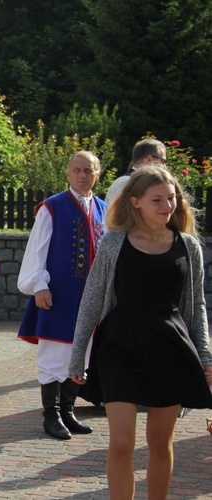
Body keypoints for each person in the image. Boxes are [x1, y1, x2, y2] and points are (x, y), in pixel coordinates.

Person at [69, 165, 212, 499]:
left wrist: (205, 355)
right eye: (157, 200)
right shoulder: (114, 243)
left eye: (171, 198)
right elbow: (91, 300)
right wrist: (78, 355)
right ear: (135, 202)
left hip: (170, 349)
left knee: (160, 444)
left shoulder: (189, 247)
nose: (167, 206)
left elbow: (196, 306)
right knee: (121, 443)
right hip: (120, 346)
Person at [17, 151, 106, 440]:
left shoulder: (105, 209)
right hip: (57, 296)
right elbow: (36, 250)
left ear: (98, 175)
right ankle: (51, 416)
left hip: (92, 298)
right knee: (54, 355)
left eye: (88, 170)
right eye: (77, 170)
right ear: (68, 173)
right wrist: (39, 285)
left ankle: (67, 411)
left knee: (81, 354)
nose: (82, 176)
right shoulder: (52, 207)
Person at [105, 138, 167, 205]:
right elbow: (115, 214)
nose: (165, 166)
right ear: (149, 159)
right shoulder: (125, 183)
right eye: (163, 161)